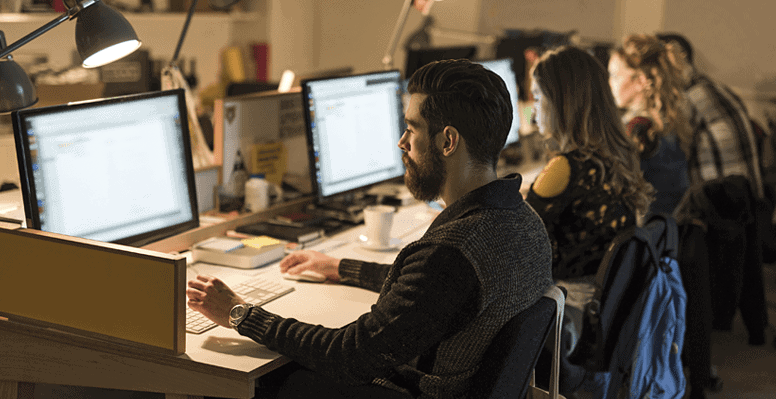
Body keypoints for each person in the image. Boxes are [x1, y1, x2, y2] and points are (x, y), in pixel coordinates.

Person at [187, 59, 554, 399]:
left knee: (254, 380)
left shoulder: (452, 253)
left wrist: (241, 313)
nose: (402, 143)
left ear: (447, 141)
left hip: (405, 390)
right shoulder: (523, 221)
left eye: (411, 128)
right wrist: (340, 268)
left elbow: (349, 356)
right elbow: (433, 297)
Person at [526, 46, 654, 280]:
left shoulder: (565, 167)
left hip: (566, 299)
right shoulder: (616, 154)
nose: (534, 112)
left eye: (537, 96)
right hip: (601, 296)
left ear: (561, 102)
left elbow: (516, 236)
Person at [655, 32, 764, 198]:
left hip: (723, 212)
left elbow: (663, 159)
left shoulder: (690, 98)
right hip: (746, 206)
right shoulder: (712, 88)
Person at [609, 34, 691, 216]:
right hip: (668, 230)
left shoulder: (639, 127)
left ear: (639, 81)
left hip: (646, 232)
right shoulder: (666, 118)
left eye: (614, 75)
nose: (609, 83)